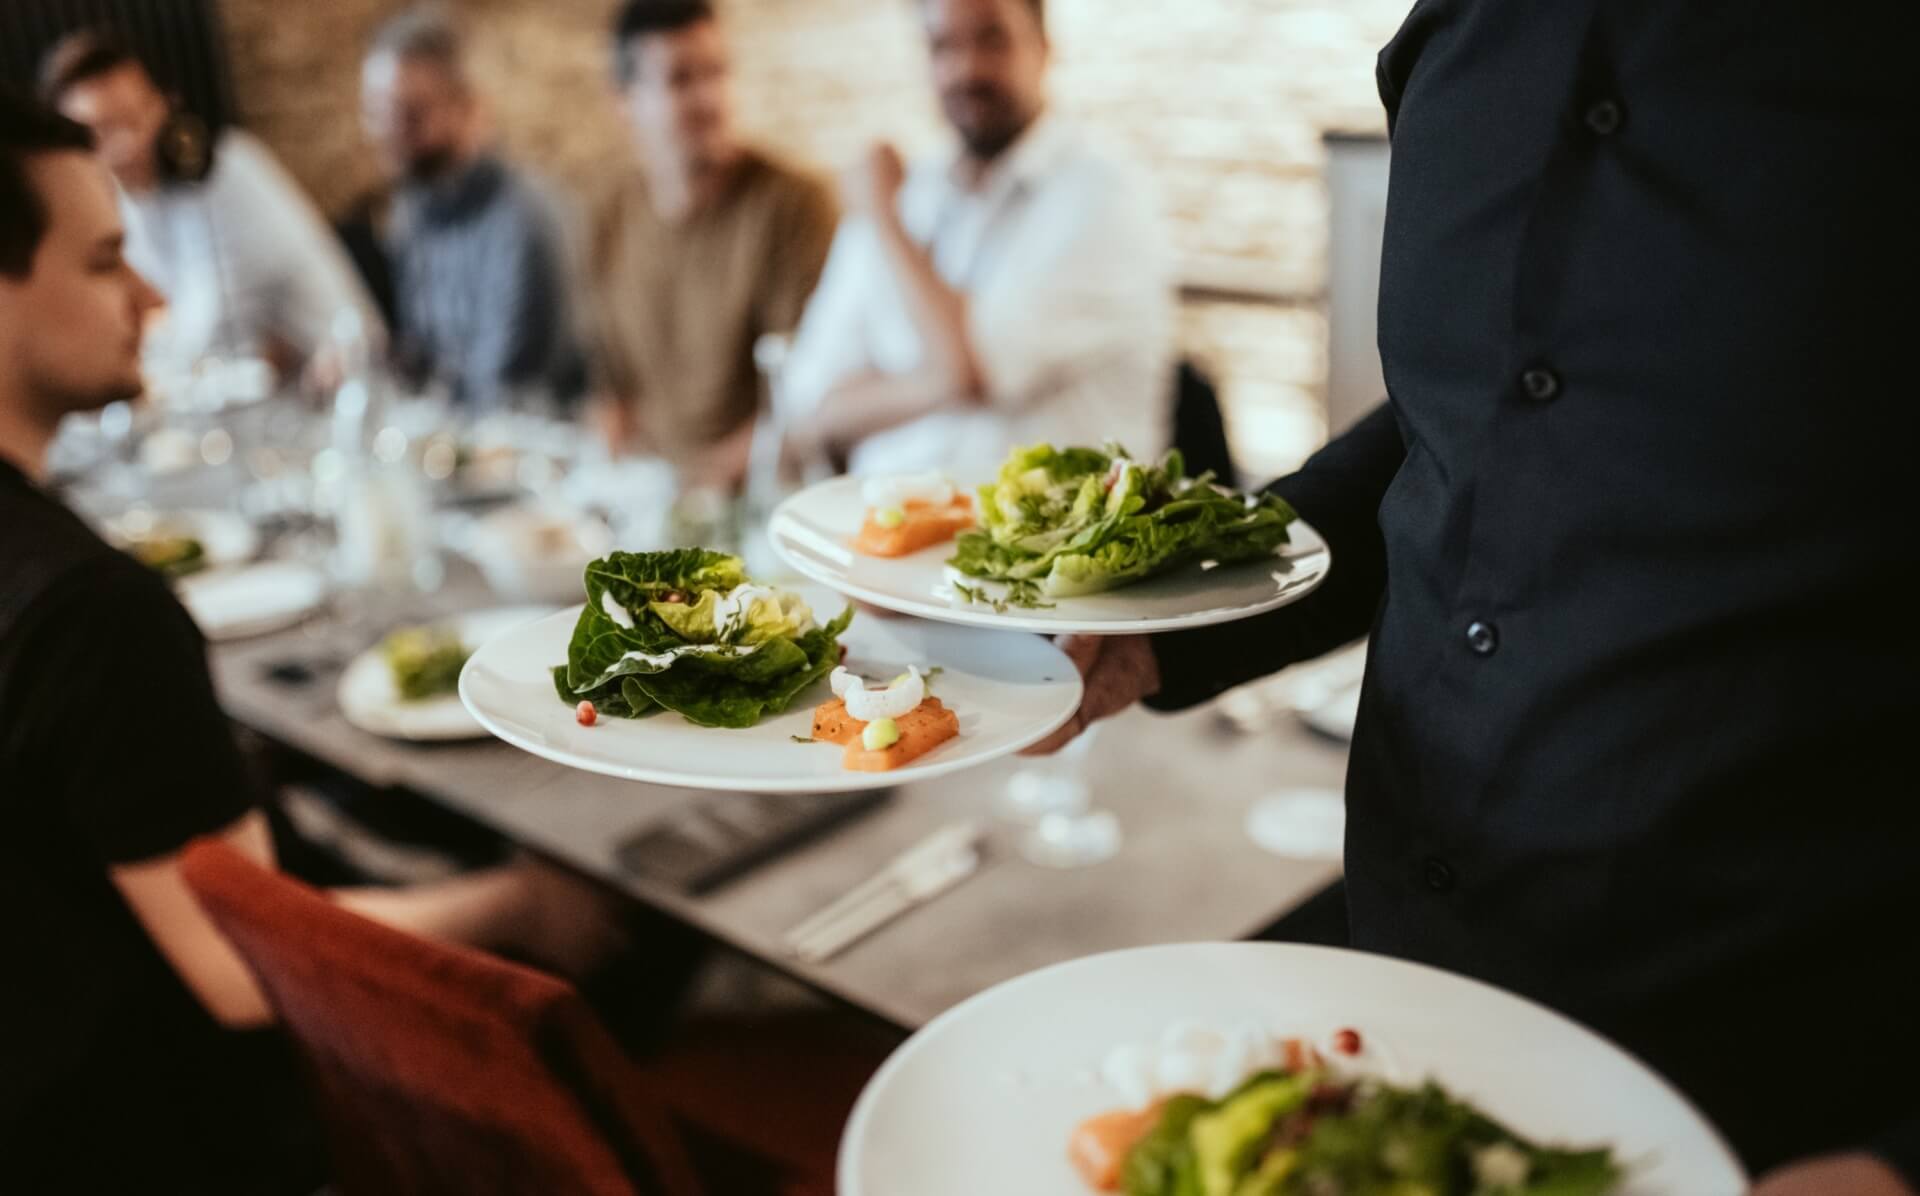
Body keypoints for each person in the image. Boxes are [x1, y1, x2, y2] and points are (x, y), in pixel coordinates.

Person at [1031, 5, 1917, 1195]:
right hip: (1404, 970)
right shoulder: (1458, 36)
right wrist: (1182, 610)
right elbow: (1465, 430)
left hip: (1776, 1069)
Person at [0, 91, 631, 1192]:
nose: (149, 296)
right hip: (162, 1135)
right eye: (106, 261)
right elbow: (247, 968)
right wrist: (533, 906)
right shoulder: (92, 611)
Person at [778, 0, 1174, 476]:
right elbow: (806, 404)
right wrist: (937, 383)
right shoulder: (910, 189)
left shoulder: (1105, 197)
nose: (966, 68)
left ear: (1044, 47)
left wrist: (887, 224)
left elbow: (980, 368)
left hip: (1049, 541)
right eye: (942, 45)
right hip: (879, 533)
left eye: (992, 38)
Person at [586, 0, 838, 487]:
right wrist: (614, 476)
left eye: (717, 72)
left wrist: (699, 487)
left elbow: (802, 397)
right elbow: (611, 386)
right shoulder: (610, 215)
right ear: (623, 101)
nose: (709, 98)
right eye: (681, 79)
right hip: (648, 491)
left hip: (758, 494)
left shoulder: (792, 205)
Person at [41, 30, 382, 382]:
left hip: (343, 378)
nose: (126, 145)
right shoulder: (126, 206)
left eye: (133, 119)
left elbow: (203, 336)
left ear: (167, 104)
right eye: (101, 132)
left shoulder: (224, 173)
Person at [361, 6, 585, 409]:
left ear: (467, 108)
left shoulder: (523, 221)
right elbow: (423, 356)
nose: (386, 134)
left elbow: (503, 387)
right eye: (377, 112)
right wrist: (366, 365)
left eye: (408, 115)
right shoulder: (413, 208)